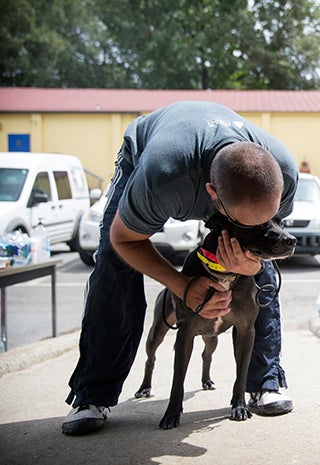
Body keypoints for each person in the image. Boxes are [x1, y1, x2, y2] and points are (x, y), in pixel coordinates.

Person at [62, 101, 298, 435]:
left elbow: (267, 240)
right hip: (154, 154)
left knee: (263, 273)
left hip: (218, 174)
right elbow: (125, 240)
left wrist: (253, 262)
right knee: (113, 265)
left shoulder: (284, 171)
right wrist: (183, 287)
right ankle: (92, 393)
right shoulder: (164, 176)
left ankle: (265, 381)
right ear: (211, 196)